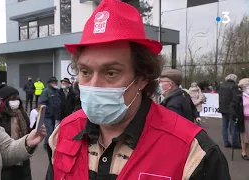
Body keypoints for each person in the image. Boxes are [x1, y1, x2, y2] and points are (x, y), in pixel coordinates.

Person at [46, 0, 230, 179]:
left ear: (142, 78)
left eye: (110, 73)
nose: (93, 85)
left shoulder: (193, 152)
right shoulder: (63, 132)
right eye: (85, 72)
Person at [0, 85, 32, 180]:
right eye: (12, 99)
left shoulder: (22, 114)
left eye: (17, 99)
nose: (16, 102)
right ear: (5, 101)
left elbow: (27, 132)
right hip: (6, 160)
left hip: (23, 156)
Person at [219, 74, 241, 148]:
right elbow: (236, 99)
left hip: (223, 109)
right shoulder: (234, 87)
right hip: (231, 109)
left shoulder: (222, 86)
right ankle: (235, 143)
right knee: (233, 126)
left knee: (224, 126)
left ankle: (226, 142)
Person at [39, 77, 61, 149]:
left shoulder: (56, 91)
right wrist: (48, 111)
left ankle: (48, 144)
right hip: (47, 115)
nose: (55, 83)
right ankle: (47, 146)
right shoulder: (46, 91)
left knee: (53, 131)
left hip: (54, 115)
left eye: (55, 82)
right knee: (50, 131)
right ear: (50, 83)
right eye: (53, 82)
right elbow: (42, 103)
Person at [230, 78, 249, 160]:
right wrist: (235, 115)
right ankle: (244, 152)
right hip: (243, 119)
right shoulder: (239, 97)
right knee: (245, 138)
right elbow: (232, 107)